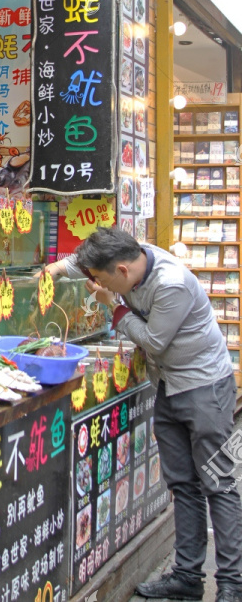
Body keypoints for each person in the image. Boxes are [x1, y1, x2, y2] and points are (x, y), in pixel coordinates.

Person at [44, 227, 242, 602]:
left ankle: (231, 583)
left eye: (101, 280)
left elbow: (153, 340)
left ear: (121, 271)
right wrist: (53, 271)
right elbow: (84, 264)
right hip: (168, 384)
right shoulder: (131, 256)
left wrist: (113, 306)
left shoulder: (172, 284)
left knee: (220, 484)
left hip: (206, 389)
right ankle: (187, 577)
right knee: (183, 484)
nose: (96, 284)